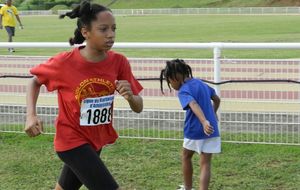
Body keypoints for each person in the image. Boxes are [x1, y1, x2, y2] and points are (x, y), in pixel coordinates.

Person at [24, 1, 143, 190]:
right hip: (71, 140)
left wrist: (130, 97)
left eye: (113, 29)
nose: (111, 34)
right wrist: (31, 115)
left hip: (96, 140)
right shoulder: (64, 62)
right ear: (86, 32)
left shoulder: (119, 62)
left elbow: (139, 107)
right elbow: (34, 81)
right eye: (103, 29)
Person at [160, 59, 221, 190]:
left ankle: (188, 187)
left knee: (186, 156)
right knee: (205, 163)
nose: (171, 85)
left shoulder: (183, 90)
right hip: (212, 129)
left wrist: (204, 122)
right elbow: (216, 99)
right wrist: (212, 114)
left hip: (195, 130)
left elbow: (193, 104)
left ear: (175, 78)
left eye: (169, 82)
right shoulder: (200, 83)